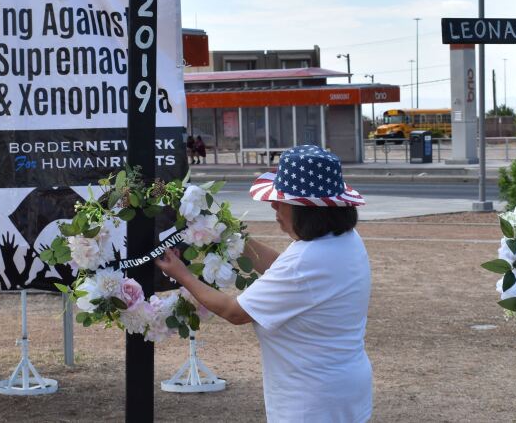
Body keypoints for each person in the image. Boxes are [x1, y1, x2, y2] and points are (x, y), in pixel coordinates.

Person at [156, 144, 372, 422]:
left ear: (306, 210)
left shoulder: (307, 259)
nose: (273, 206)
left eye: (281, 200)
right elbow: (281, 268)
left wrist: (183, 274)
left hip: (311, 401)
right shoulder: (345, 241)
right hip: (344, 386)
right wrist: (233, 237)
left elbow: (235, 311)